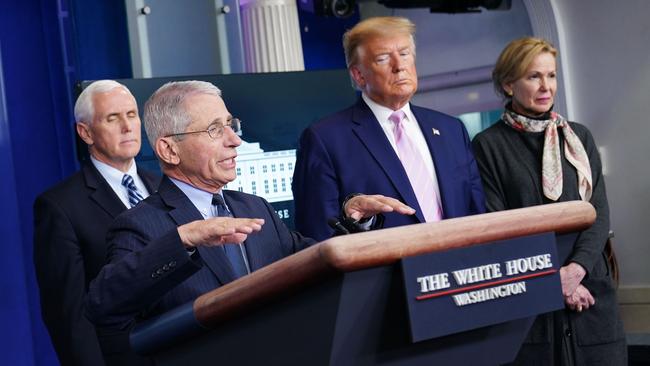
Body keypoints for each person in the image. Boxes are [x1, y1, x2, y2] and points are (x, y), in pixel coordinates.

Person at [85, 80, 414, 332]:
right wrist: (183, 241)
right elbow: (104, 304)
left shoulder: (255, 208)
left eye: (231, 124)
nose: (235, 140)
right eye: (215, 129)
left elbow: (315, 263)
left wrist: (356, 222)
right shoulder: (142, 225)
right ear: (170, 150)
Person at [471, 37, 626, 365]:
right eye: (534, 76)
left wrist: (576, 270)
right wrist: (551, 280)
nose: (546, 86)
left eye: (551, 75)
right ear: (509, 84)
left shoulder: (579, 136)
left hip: (590, 290)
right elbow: (498, 224)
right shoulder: (488, 145)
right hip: (530, 298)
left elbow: (597, 212)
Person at [292, 16, 485, 241]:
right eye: (383, 58)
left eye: (404, 54)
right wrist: (360, 222)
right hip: (384, 273)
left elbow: (477, 214)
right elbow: (317, 234)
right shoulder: (325, 139)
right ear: (358, 75)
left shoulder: (451, 129)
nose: (399, 66)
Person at [33, 80, 159, 366]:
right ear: (86, 132)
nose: (127, 127)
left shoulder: (164, 186)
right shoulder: (59, 206)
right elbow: (68, 315)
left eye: (131, 115)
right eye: (112, 118)